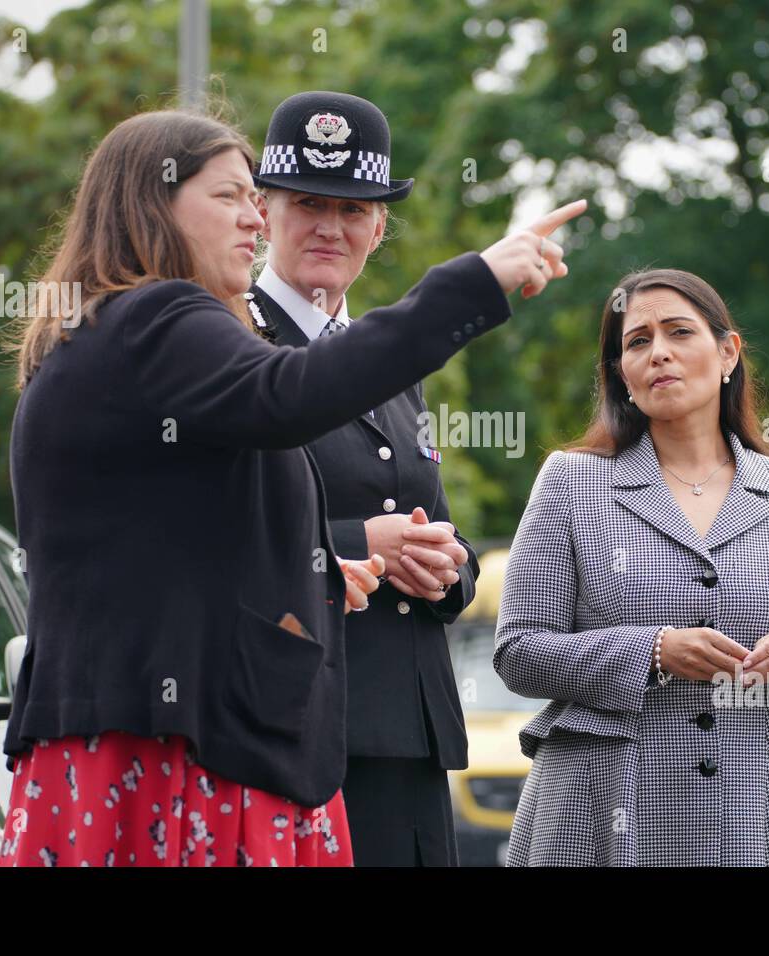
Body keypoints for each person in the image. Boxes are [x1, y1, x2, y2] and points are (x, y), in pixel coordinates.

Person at [0, 107, 584, 866]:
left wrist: (319, 574)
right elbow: (289, 395)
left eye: (254, 198)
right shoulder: (161, 316)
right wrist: (478, 282)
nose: (253, 218)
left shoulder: (109, 331)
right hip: (175, 743)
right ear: (154, 202)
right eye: (235, 198)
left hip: (170, 738)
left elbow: (165, 538)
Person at [494, 268, 769, 866]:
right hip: (602, 815)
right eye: (637, 341)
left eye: (679, 332)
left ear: (728, 353)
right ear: (621, 373)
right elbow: (518, 652)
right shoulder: (570, 483)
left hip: (762, 818)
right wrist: (651, 651)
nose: (659, 353)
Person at [246, 91, 475, 866]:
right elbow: (211, 535)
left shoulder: (394, 362)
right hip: (291, 731)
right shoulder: (231, 344)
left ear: (379, 228)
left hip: (409, 741)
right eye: (308, 202)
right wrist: (360, 544)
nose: (329, 227)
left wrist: (447, 565)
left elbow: (443, 529)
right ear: (263, 208)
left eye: (353, 209)